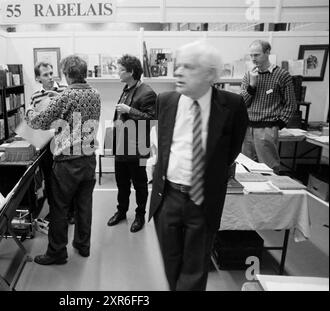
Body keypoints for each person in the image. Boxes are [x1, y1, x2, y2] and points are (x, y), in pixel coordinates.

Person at [148, 41, 248, 291]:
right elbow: (162, 143)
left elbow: (231, 151)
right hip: (167, 197)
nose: (178, 72)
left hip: (203, 200)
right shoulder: (166, 100)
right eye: (178, 65)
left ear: (210, 75)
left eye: (189, 67)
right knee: (169, 265)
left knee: (194, 269)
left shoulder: (232, 105)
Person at [26, 55, 101, 265]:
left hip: (67, 162)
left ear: (67, 75)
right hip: (89, 159)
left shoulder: (64, 96)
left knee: (59, 208)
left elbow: (39, 122)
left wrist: (30, 110)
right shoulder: (95, 94)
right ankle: (82, 245)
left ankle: (57, 252)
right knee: (84, 206)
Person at [106, 54, 156, 233]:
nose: (117, 73)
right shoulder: (126, 89)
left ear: (131, 72)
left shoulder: (147, 92)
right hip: (122, 148)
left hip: (139, 150)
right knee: (122, 184)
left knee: (140, 184)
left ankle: (140, 215)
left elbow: (151, 119)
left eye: (120, 70)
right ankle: (121, 212)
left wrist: (130, 110)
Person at [240, 40, 296, 174]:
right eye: (251, 55)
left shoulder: (282, 75)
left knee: (268, 169)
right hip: (248, 128)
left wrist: (278, 125)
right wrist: (252, 85)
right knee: (245, 168)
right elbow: (242, 103)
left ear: (267, 53)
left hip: (267, 128)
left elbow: (291, 104)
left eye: (257, 55)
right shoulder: (249, 75)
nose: (253, 59)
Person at [30, 62, 75, 224]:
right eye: (45, 75)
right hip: (46, 145)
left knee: (66, 179)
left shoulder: (65, 90)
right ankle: (54, 212)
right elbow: (35, 121)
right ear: (38, 78)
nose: (50, 77)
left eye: (51, 73)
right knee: (49, 180)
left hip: (64, 143)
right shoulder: (35, 96)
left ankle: (71, 211)